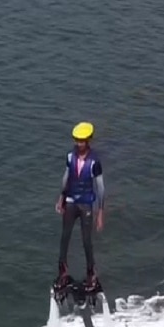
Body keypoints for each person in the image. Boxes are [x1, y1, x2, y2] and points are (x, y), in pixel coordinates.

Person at [55, 121, 105, 291]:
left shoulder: (94, 162)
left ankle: (91, 273)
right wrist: (61, 197)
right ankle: (62, 272)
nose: (78, 144)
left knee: (86, 241)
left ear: (88, 140)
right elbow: (66, 177)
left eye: (82, 141)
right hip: (70, 201)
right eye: (76, 140)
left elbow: (100, 188)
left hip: (86, 204)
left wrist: (100, 213)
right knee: (65, 238)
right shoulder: (70, 156)